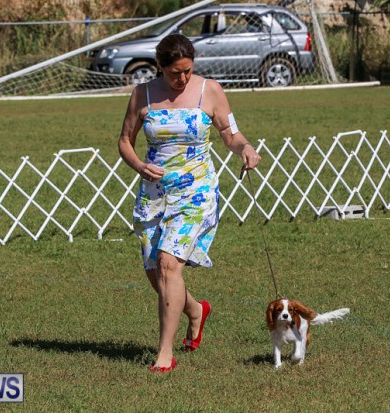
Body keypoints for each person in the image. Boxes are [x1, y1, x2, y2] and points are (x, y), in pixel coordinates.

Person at [117, 33, 261, 373]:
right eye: (174, 73)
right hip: (154, 194)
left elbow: (230, 134)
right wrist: (139, 165)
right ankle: (196, 310)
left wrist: (245, 148)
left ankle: (164, 354)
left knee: (169, 265)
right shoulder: (142, 94)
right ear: (160, 67)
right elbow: (124, 140)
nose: (182, 78)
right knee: (155, 273)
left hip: (196, 192)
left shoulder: (210, 90)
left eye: (187, 71)